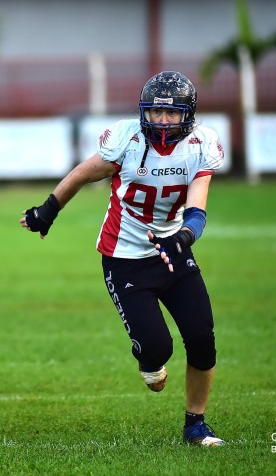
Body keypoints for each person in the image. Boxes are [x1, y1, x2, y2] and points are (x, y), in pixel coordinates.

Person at [19, 71, 226, 446]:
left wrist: (183, 237)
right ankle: (147, 357)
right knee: (157, 349)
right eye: (155, 113)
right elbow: (81, 174)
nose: (162, 122)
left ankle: (196, 425)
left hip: (174, 252)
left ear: (188, 115)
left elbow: (197, 208)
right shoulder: (127, 139)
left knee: (201, 337)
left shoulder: (201, 144)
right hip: (124, 256)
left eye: (171, 114)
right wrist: (47, 211)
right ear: (143, 112)